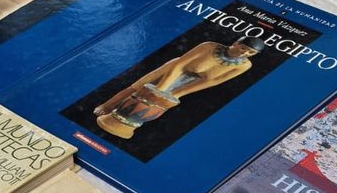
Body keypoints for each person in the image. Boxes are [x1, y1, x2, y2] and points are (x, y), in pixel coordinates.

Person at [93, 37, 264, 139]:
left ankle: (126, 123)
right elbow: (180, 65)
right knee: (137, 88)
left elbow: (212, 81)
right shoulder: (209, 46)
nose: (244, 53)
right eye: (243, 48)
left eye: (250, 53)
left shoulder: (244, 66)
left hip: (192, 81)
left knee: (161, 102)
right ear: (236, 43)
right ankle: (108, 106)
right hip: (174, 69)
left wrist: (177, 93)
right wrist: (161, 87)